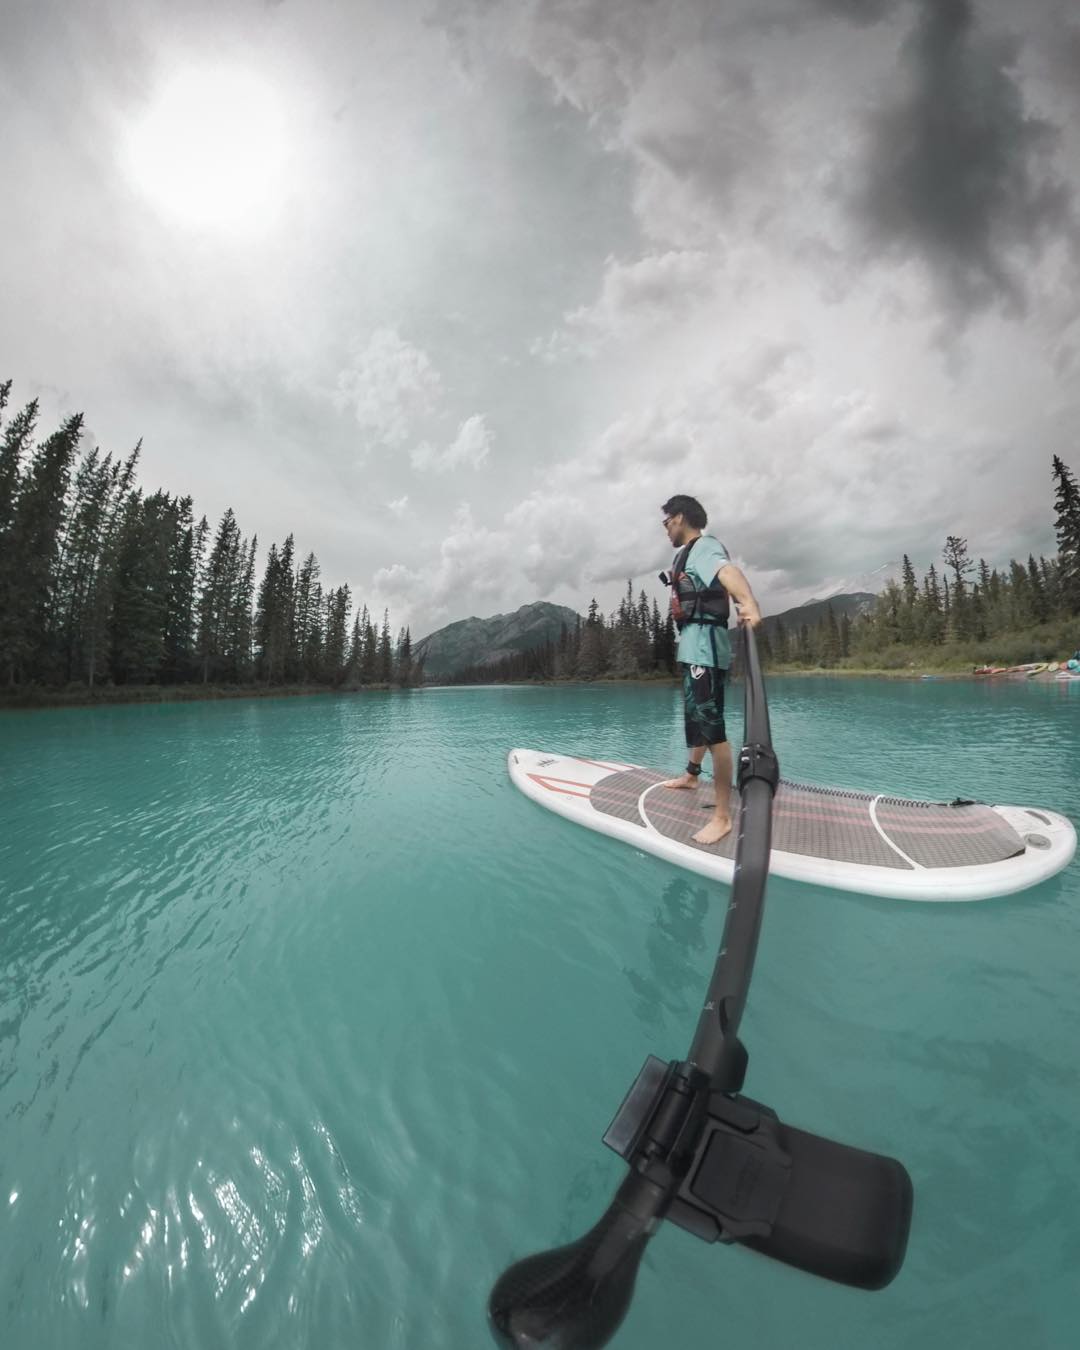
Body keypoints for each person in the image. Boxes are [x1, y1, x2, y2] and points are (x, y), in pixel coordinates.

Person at [659, 494, 762, 845]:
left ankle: (722, 816)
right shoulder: (685, 554)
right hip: (693, 649)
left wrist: (748, 603)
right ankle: (692, 775)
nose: (665, 529)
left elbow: (727, 571)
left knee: (713, 730)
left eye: (666, 522)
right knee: (697, 720)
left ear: (680, 517)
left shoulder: (704, 547)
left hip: (706, 650)